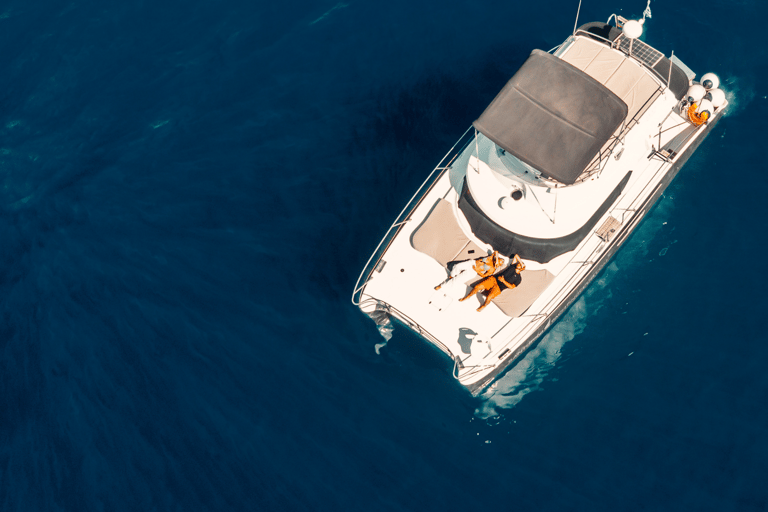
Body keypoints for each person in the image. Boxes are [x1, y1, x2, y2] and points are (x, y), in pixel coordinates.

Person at [459, 254, 525, 312]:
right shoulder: (512, 266)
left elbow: (512, 287)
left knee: (489, 297)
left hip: (499, 288)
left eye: (520, 264)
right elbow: (516, 255)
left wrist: (503, 281)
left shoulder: (519, 279)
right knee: (477, 287)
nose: (518, 263)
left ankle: (484, 305)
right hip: (493, 279)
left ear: (522, 269)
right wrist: (522, 263)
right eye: (519, 263)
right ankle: (467, 297)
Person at [434, 251, 505, 291]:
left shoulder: (492, 269)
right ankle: (451, 276)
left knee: (458, 280)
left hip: (473, 271)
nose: (499, 261)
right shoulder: (491, 257)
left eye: (501, 262)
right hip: (472, 263)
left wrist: (477, 270)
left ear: (499, 265)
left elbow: (484, 275)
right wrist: (497, 259)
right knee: (457, 266)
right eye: (500, 260)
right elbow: (496, 252)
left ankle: (442, 286)